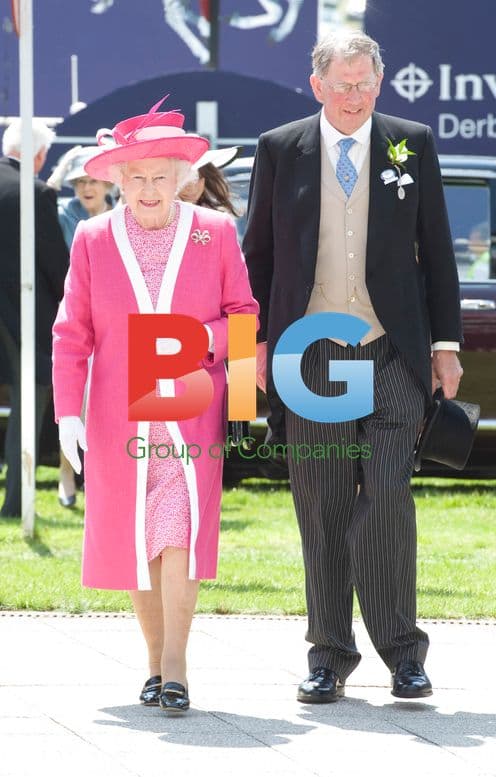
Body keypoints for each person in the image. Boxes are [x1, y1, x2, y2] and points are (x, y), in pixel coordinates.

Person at [243, 30, 463, 702]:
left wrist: (446, 345)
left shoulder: (411, 143)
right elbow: (258, 256)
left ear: (379, 83)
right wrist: (251, 344)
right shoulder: (280, 148)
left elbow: (438, 250)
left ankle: (403, 653)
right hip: (310, 354)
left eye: (366, 83)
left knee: (388, 496)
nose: (356, 96)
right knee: (324, 503)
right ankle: (329, 655)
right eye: (343, 85)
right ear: (317, 85)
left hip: (391, 350)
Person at [52, 99, 258, 713]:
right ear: (118, 179)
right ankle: (152, 661)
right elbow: (72, 333)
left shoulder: (214, 232)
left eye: (160, 177)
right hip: (118, 414)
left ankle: (176, 667)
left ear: (181, 179)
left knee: (179, 532)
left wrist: (206, 355)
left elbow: (244, 317)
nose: (148, 189)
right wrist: (68, 413)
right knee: (137, 537)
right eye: (137, 177)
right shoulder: (93, 238)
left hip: (191, 410)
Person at [0, 119, 69, 518]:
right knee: (28, 403)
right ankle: (14, 503)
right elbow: (56, 265)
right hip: (22, 318)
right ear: (40, 156)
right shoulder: (36, 192)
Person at [48, 146, 116, 507]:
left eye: (92, 181)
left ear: (107, 183)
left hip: (115, 324)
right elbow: (39, 202)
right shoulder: (62, 216)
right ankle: (66, 473)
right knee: (75, 401)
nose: (86, 188)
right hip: (76, 322)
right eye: (79, 183)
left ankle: (103, 479)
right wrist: (58, 173)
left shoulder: (125, 213)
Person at [178, 146, 241, 216]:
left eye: (195, 178)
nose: (190, 187)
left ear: (204, 180)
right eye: (184, 179)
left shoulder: (217, 216)